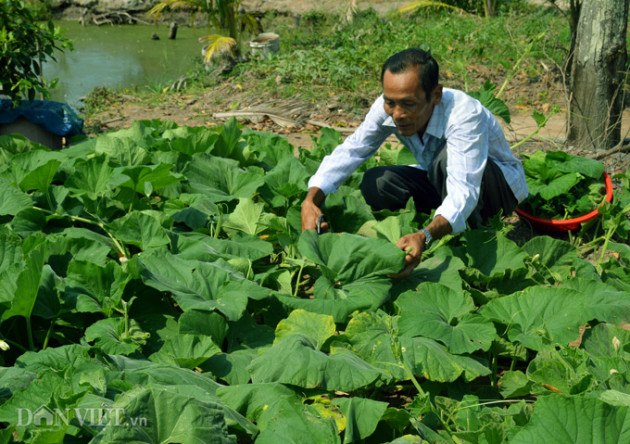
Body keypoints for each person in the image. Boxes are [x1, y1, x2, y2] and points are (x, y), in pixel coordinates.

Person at [301, 48, 528, 278]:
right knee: (376, 182)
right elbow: (352, 150)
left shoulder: (463, 113)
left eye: (408, 104)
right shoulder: (387, 108)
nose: (397, 114)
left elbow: (464, 189)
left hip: (497, 189)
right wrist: (311, 200)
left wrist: (425, 236)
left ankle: (474, 239)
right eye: (390, 102)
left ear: (436, 95)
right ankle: (424, 231)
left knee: (446, 159)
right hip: (441, 178)